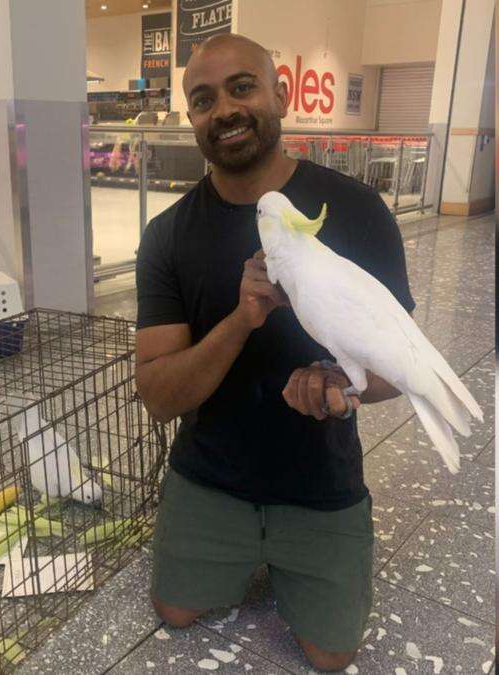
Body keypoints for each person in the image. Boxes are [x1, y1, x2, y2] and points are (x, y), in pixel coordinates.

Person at [135, 34, 415, 672]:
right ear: (192, 120)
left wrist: (340, 388)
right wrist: (242, 318)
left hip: (319, 481)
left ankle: (286, 557)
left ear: (280, 94)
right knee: (175, 611)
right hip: (210, 473)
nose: (225, 110)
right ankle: (236, 549)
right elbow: (157, 397)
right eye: (203, 100)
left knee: (332, 656)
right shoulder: (168, 235)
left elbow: (398, 371)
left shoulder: (356, 210)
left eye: (242, 87)